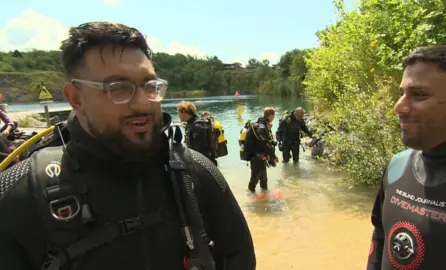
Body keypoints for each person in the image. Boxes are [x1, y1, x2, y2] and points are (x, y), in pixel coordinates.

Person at [0, 21, 255, 270]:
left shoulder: (194, 172)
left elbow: (239, 254)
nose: (143, 103)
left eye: (150, 86)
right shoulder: (20, 194)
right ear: (75, 98)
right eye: (119, 88)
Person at [367, 44, 446, 270]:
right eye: (402, 94)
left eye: (419, 95)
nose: (398, 107)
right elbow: (379, 240)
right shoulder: (397, 166)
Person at [247, 107, 278, 193]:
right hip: (257, 158)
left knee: (264, 180)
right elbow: (265, 145)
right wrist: (274, 157)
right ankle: (251, 198)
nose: (273, 118)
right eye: (273, 116)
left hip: (262, 157)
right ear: (270, 116)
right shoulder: (262, 127)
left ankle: (264, 198)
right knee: (254, 180)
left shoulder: (262, 125)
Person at [177, 101, 218, 166]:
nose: (178, 115)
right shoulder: (191, 124)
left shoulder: (197, 127)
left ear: (184, 112)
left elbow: (202, 151)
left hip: (205, 164)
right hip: (201, 162)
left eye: (178, 113)